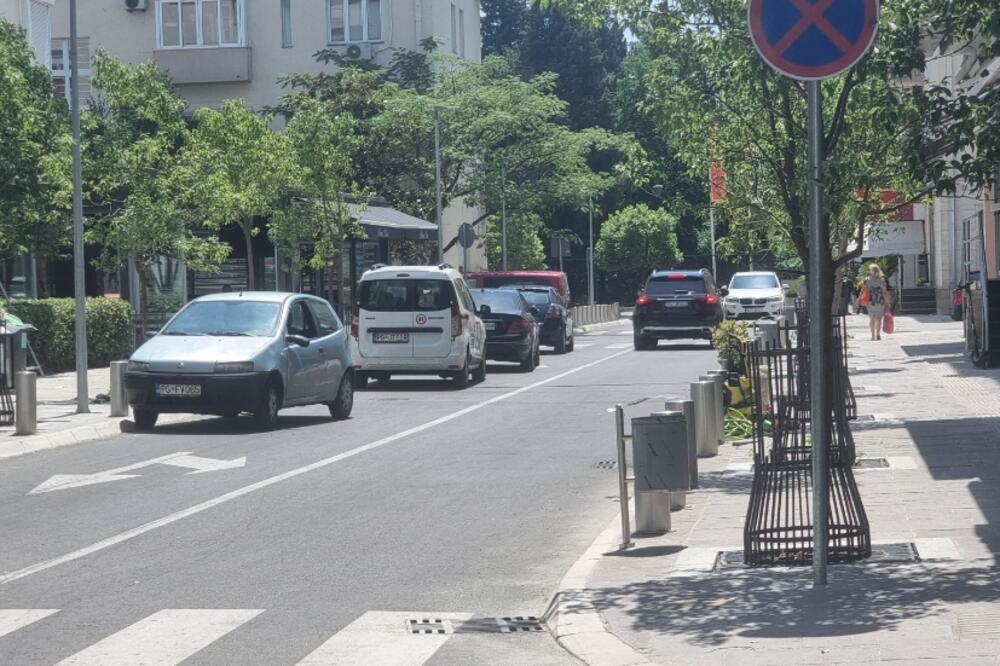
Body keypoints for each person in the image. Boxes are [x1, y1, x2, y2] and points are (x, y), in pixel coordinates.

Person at [863, 264, 891, 340]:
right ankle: (878, 334)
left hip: (870, 302)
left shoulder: (867, 280)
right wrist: (888, 302)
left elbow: (863, 290)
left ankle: (872, 335)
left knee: (871, 319)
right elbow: (885, 292)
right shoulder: (882, 280)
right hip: (880, 302)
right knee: (878, 319)